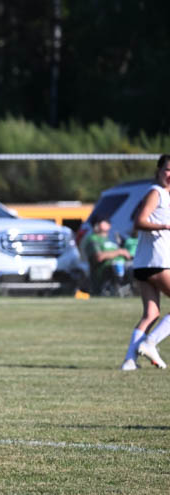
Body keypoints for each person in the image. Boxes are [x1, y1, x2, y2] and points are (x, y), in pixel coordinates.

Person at [122, 154, 170, 370]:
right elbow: (139, 222)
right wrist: (164, 227)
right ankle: (150, 343)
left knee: (151, 314)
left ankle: (129, 361)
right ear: (158, 171)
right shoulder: (156, 192)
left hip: (144, 263)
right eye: (167, 170)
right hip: (157, 262)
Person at [84, 217, 132, 294]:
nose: (108, 224)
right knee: (117, 266)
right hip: (104, 272)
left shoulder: (111, 240)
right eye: (104, 222)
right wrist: (119, 252)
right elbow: (98, 257)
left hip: (122, 268)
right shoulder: (93, 239)